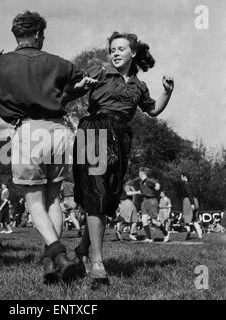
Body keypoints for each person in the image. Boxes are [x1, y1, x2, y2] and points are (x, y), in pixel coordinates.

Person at [0, 10, 97, 283]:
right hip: (60, 130)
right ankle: (50, 264)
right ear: (39, 34)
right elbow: (80, 79)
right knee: (54, 198)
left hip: (28, 130)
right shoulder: (58, 62)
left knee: (34, 201)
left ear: (16, 34)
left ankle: (59, 254)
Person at [71, 32, 174, 289]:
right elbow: (68, 93)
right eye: (112, 49)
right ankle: (97, 263)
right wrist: (78, 87)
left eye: (120, 49)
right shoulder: (100, 71)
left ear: (133, 53)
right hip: (93, 131)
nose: (115, 53)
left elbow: (153, 110)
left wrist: (168, 92)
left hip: (120, 137)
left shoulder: (139, 86)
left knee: (107, 198)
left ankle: (83, 249)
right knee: (96, 193)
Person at [180, 173, 202, 240]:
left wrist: (192, 203)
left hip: (188, 201)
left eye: (181, 177)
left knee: (185, 219)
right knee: (194, 219)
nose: (181, 178)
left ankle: (189, 232)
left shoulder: (186, 184)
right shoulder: (193, 184)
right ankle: (200, 234)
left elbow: (189, 193)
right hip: (195, 200)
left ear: (185, 177)